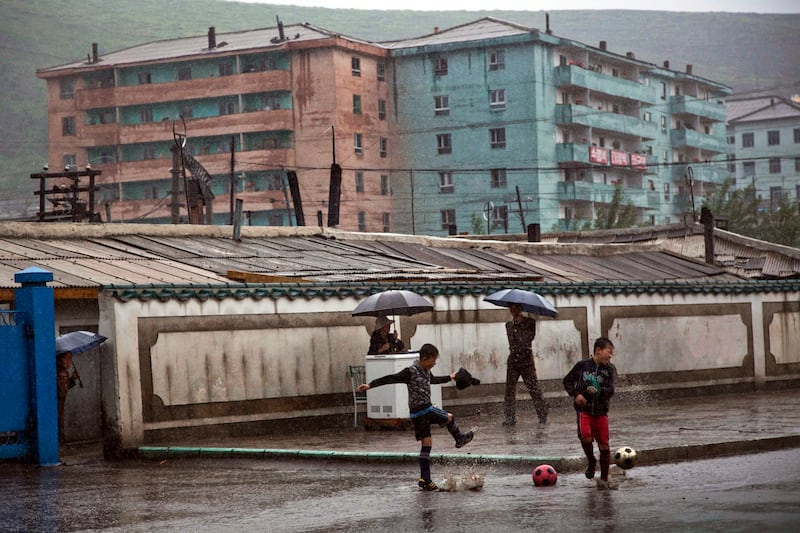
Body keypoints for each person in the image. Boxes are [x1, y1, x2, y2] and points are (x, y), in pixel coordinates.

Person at [358, 343, 474, 491]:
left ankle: (425, 480)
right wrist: (370, 385)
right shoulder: (410, 372)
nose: (434, 363)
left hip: (417, 414)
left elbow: (433, 380)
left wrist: (450, 377)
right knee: (449, 417)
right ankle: (460, 439)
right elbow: (390, 378)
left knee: (426, 445)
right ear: (424, 358)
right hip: (424, 410)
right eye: (433, 360)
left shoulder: (425, 371)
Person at [563, 337, 618, 490]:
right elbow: (567, 381)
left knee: (604, 447)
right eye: (609, 352)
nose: (610, 356)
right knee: (585, 437)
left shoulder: (609, 369)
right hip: (584, 411)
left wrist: (599, 391)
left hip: (601, 412)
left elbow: (611, 390)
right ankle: (592, 461)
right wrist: (576, 395)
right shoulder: (582, 366)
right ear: (598, 351)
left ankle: (604, 479)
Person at [502, 303, 548, 426]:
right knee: (509, 390)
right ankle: (510, 417)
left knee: (533, 387)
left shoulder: (530, 322)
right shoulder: (509, 325)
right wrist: (516, 326)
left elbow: (527, 339)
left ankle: (542, 414)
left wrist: (520, 325)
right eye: (511, 308)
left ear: (520, 308)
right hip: (513, 359)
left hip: (526, 359)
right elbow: (513, 341)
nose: (513, 310)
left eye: (516, 307)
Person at [56, 351, 80, 444]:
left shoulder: (65, 373)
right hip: (55, 405)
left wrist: (72, 379)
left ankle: (61, 442)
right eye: (65, 359)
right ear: (59, 360)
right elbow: (61, 392)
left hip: (61, 405)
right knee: (57, 423)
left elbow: (64, 389)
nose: (68, 362)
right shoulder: (56, 374)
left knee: (60, 423)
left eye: (70, 359)